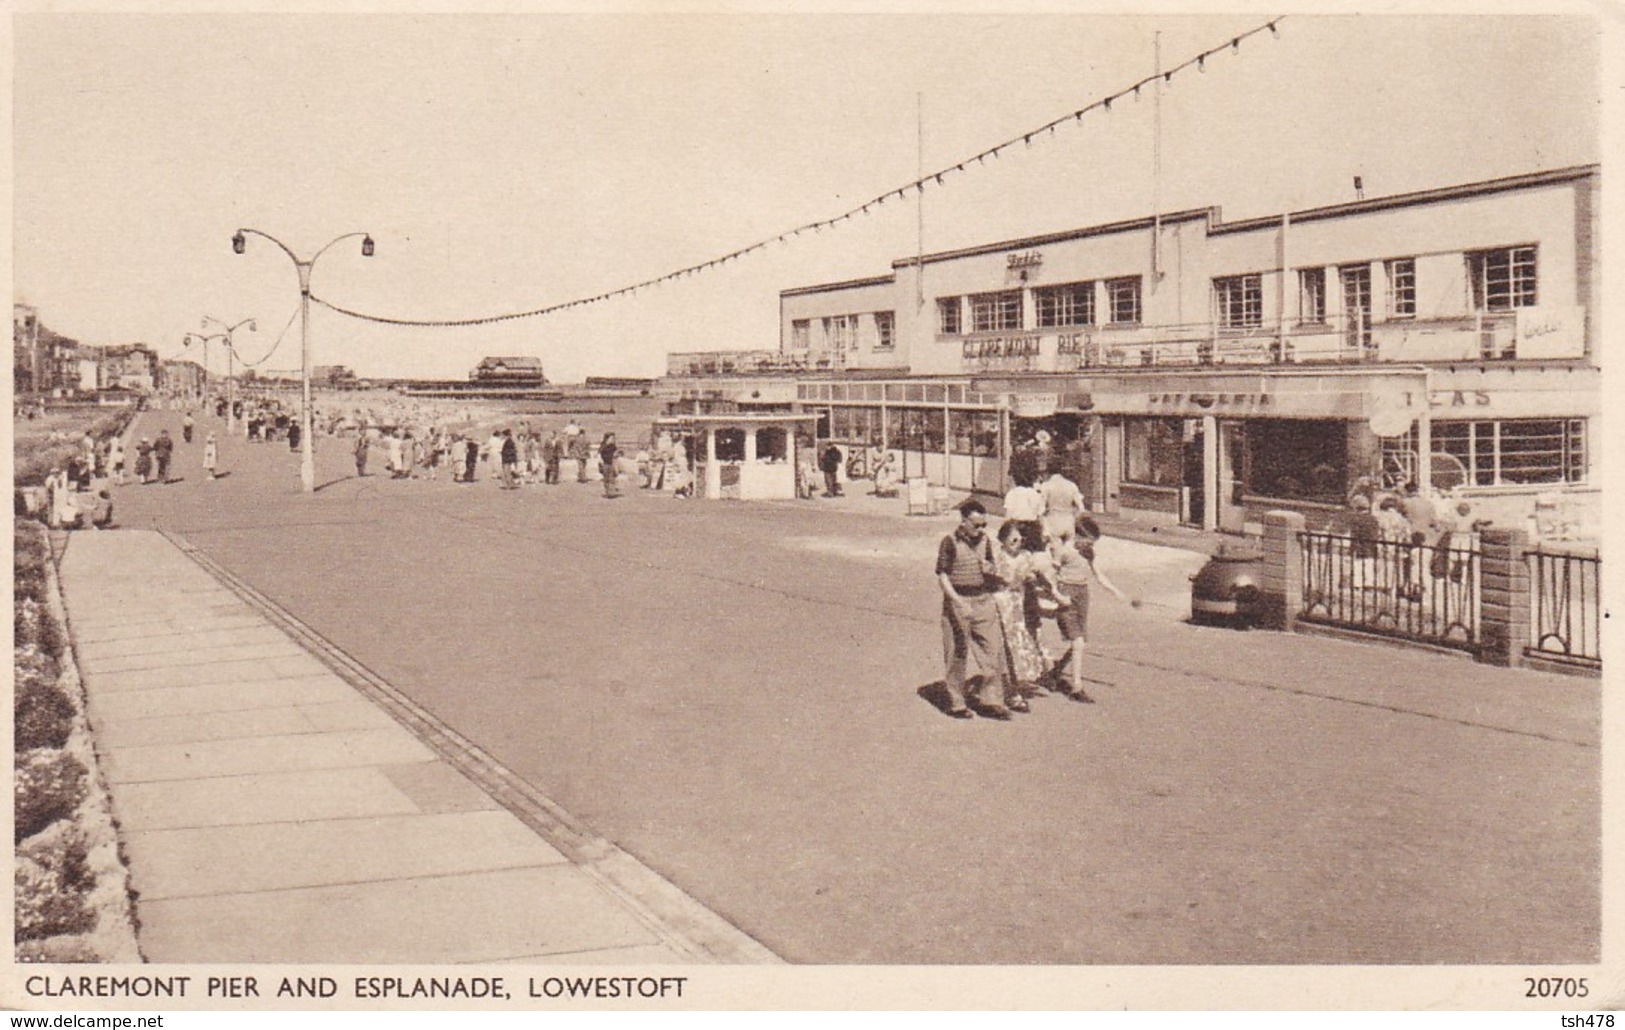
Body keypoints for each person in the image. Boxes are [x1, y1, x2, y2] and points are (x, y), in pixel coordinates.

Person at [935, 499, 1011, 720]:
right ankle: (957, 702)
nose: (980, 530)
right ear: (964, 521)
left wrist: (992, 570)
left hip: (983, 599)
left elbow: (990, 567)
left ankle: (991, 699)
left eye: (983, 525)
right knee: (957, 653)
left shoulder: (985, 541)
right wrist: (958, 602)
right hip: (959, 601)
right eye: (976, 525)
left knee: (993, 650)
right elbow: (943, 576)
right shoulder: (949, 542)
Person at [1049, 515, 1137, 702]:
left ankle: (1055, 671)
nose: (1089, 547)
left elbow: (1099, 574)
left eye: (1092, 544)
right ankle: (1076, 687)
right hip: (1067, 594)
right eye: (1087, 542)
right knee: (1078, 642)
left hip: (1082, 594)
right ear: (1077, 536)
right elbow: (1051, 577)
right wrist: (1057, 596)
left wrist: (1117, 592)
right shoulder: (1063, 551)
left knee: (1079, 640)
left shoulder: (1088, 553)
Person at [993, 521, 1053, 711]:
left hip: (1019, 604)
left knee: (1018, 646)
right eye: (1013, 539)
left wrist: (1033, 579)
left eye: (1020, 539)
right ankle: (1008, 691)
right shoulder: (997, 556)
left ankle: (1014, 687)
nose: (1017, 542)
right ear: (1003, 539)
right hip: (1001, 603)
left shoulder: (1026, 556)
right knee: (1004, 647)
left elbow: (1037, 577)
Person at [1039, 467, 1087, 544]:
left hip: (1053, 521)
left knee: (1055, 550)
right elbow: (1081, 509)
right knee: (1068, 549)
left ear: (1048, 473)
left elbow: (1041, 509)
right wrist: (1074, 518)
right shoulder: (1071, 485)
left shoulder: (1046, 486)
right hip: (1068, 521)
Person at [1002, 469, 1046, 552]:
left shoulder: (1012, 493)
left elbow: (1008, 516)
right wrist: (1043, 533)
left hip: (1016, 527)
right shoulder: (1036, 495)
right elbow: (1040, 517)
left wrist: (1005, 532)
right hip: (1032, 528)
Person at [599, 432, 620, 498]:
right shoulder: (604, 445)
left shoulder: (613, 446)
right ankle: (608, 492)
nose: (613, 439)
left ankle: (611, 492)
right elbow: (600, 451)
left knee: (611, 478)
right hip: (605, 463)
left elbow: (616, 453)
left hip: (611, 463)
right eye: (612, 438)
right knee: (606, 479)